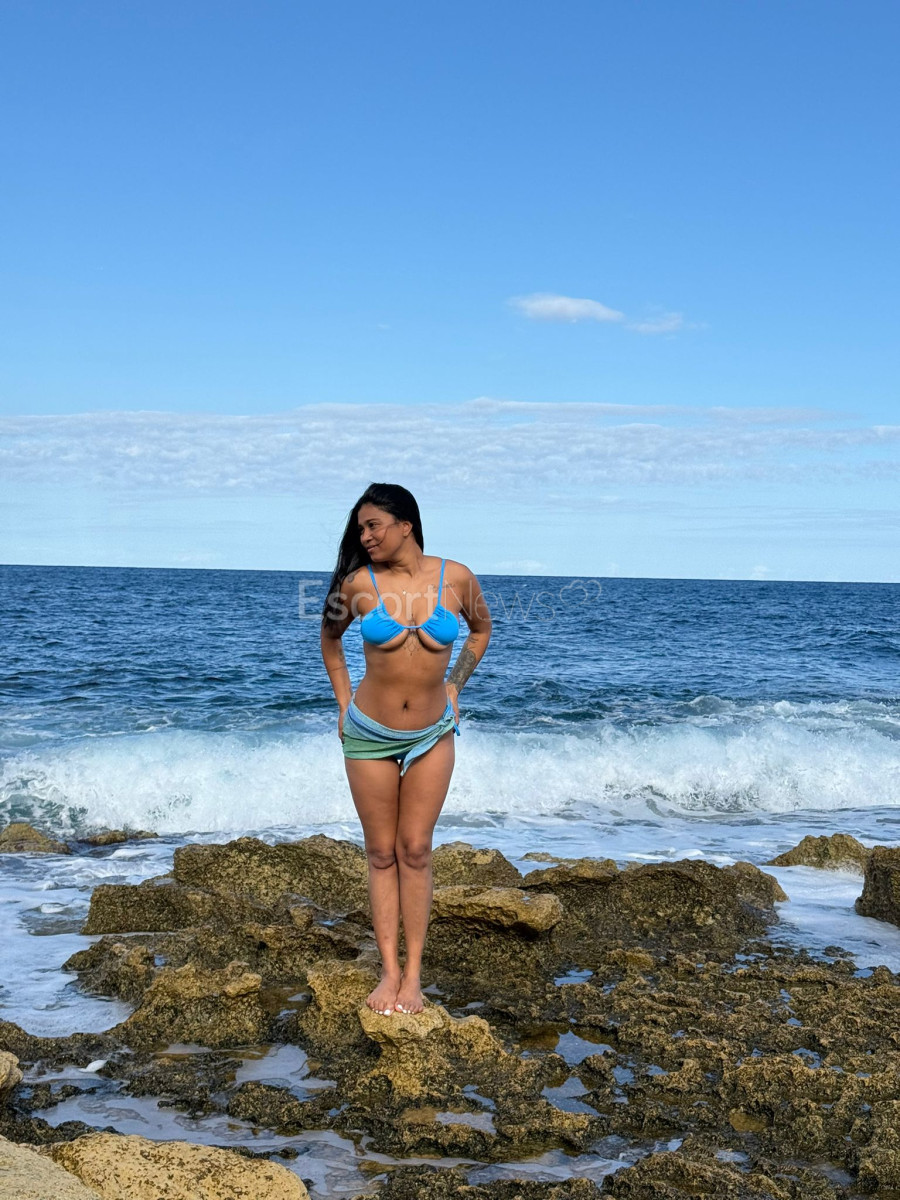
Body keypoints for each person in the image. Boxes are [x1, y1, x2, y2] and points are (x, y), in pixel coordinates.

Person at [320, 483, 492, 1017]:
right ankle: (388, 972)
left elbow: (481, 630)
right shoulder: (357, 584)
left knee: (415, 850)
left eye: (373, 525)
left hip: (432, 732)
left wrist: (455, 685)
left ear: (405, 525)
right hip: (369, 734)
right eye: (360, 530)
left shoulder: (455, 577)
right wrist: (344, 703)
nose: (365, 537)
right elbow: (330, 640)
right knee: (380, 853)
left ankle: (414, 976)